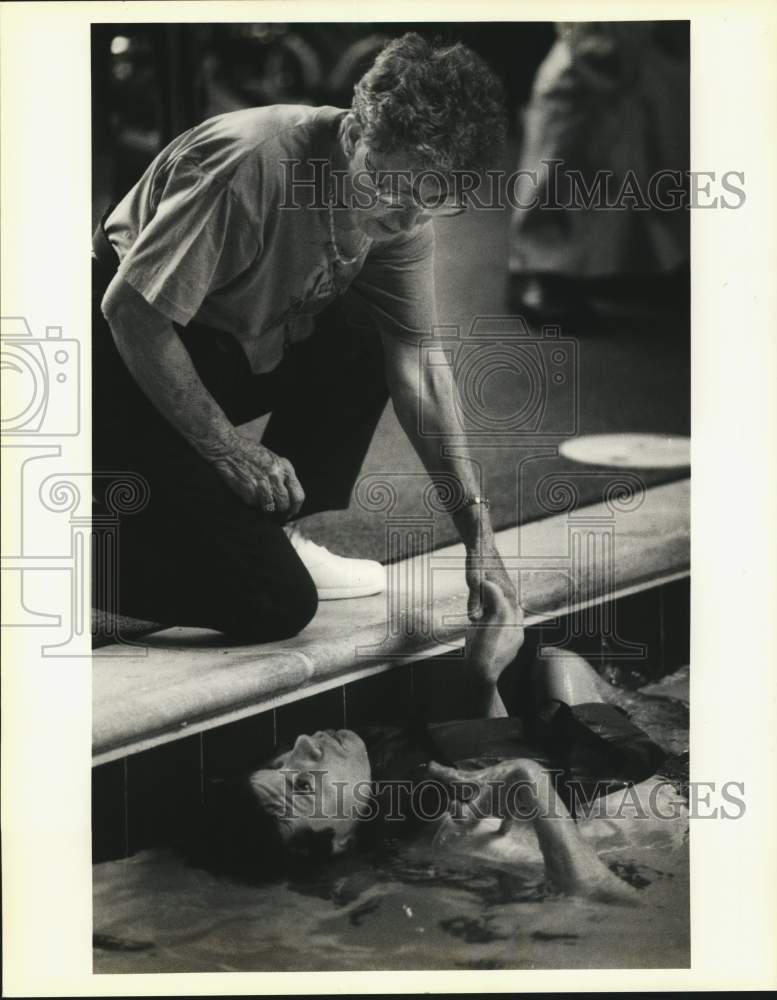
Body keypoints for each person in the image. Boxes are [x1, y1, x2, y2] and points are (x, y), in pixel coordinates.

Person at [92, 33, 516, 640]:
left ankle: (281, 534)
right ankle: (65, 563)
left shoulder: (401, 212)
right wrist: (228, 450)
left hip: (215, 350)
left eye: (431, 202)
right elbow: (131, 312)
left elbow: (419, 364)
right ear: (353, 134)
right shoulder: (248, 166)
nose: (405, 220)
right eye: (389, 189)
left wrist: (481, 539)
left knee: (370, 337)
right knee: (274, 602)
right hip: (112, 360)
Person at [196, 582, 685, 903]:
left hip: (646, 780)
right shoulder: (447, 839)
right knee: (564, 669)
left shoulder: (418, 803)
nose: (306, 744)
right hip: (680, 809)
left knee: (558, 666)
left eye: (282, 758)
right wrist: (530, 781)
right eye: (303, 783)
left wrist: (485, 678)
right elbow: (605, 896)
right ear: (340, 837)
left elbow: (508, 768)